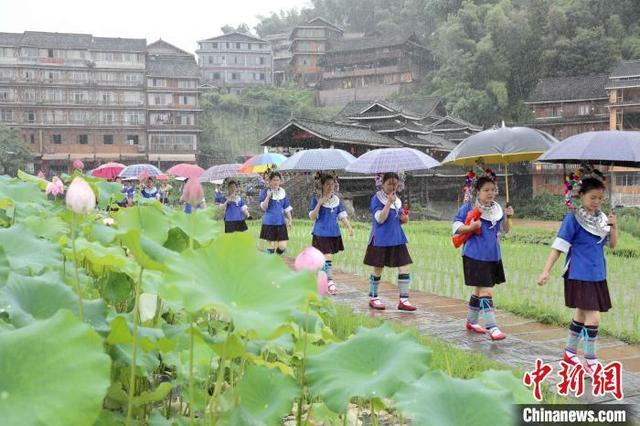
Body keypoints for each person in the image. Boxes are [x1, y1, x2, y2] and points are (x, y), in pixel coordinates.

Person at [537, 169, 617, 374]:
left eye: (600, 198)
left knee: (582, 314)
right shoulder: (572, 219)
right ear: (581, 195)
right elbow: (559, 247)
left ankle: (570, 353)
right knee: (594, 317)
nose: (597, 201)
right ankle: (591, 360)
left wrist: (614, 227)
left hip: (598, 274)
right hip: (579, 274)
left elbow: (613, 246)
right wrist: (546, 271)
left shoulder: (602, 220)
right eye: (592, 197)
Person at [452, 169, 513, 341]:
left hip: (492, 255)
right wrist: (471, 227)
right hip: (474, 255)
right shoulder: (469, 208)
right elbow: (456, 227)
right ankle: (492, 327)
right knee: (486, 290)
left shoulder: (498, 210)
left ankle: (471, 321)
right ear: (477, 192)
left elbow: (505, 231)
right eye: (486, 190)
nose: (490, 193)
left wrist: (508, 217)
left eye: (493, 190)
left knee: (479, 289)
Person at [363, 172, 415, 311]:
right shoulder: (376, 199)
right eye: (390, 183)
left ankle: (404, 300)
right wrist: (388, 203)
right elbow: (380, 218)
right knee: (378, 268)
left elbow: (400, 219)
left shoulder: (397, 200)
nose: (393, 186)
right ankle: (374, 298)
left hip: (397, 237)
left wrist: (404, 219)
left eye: (395, 183)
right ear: (383, 184)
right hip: (380, 238)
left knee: (404, 266)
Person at [309, 173, 354, 295]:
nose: (330, 186)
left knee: (325, 258)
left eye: (332, 184)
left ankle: (322, 280)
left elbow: (342, 216)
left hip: (333, 232)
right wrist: (320, 203)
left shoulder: (337, 200)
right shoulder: (315, 199)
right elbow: (313, 217)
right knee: (327, 256)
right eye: (327, 184)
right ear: (322, 185)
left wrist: (349, 227)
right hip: (320, 233)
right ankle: (330, 282)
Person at [259, 171, 292, 255]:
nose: (276, 182)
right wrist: (268, 196)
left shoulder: (282, 192)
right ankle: (269, 263)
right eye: (274, 180)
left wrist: (290, 219)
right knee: (271, 247)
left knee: (282, 246)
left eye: (278, 180)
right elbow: (264, 207)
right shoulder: (265, 192)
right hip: (269, 222)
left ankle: (277, 255)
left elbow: (286, 207)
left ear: (280, 181)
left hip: (280, 222)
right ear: (270, 181)